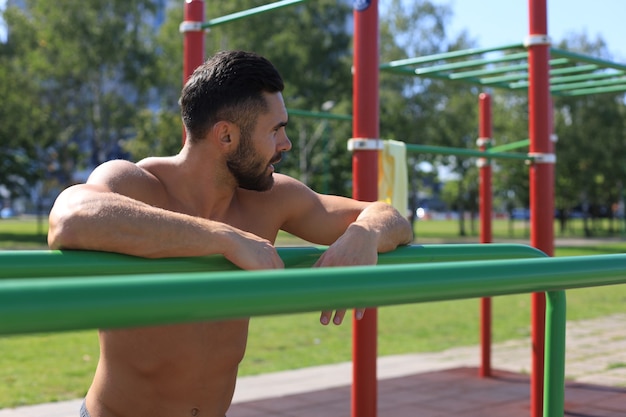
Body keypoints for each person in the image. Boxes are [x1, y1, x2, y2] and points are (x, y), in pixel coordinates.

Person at [48, 50, 413, 417]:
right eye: (275, 130)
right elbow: (70, 218)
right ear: (226, 135)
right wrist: (224, 238)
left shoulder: (270, 199)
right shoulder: (139, 185)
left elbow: (391, 216)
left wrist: (364, 233)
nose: (285, 144)